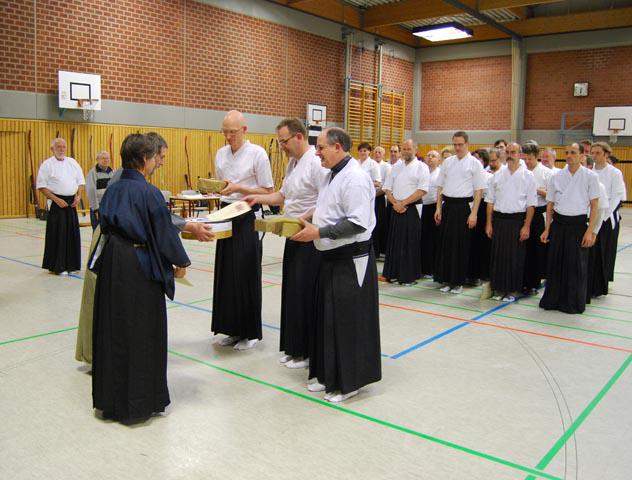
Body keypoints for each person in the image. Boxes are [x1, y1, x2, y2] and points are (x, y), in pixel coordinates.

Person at [75, 132, 213, 365]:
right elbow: (150, 219)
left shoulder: (124, 184)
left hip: (117, 249)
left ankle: (112, 361)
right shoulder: (133, 184)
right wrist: (180, 257)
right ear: (147, 156)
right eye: (160, 157)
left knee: (118, 309)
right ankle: (101, 355)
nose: (161, 162)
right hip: (120, 246)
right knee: (123, 309)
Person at [91, 133, 191, 422]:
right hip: (138, 265)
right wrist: (180, 261)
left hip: (113, 261)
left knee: (114, 327)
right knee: (141, 331)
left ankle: (111, 401)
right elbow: (162, 231)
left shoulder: (113, 189)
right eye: (154, 158)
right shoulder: (148, 192)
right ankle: (139, 402)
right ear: (145, 159)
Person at [292, 127, 381, 403]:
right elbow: (327, 209)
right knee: (327, 320)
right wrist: (305, 218)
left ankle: (349, 383)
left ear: (338, 147)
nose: (317, 152)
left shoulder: (355, 178)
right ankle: (328, 376)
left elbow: (357, 223)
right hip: (330, 257)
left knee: (347, 322)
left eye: (321, 147)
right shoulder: (331, 175)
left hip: (351, 259)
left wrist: (318, 232)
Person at [244, 118, 326, 369]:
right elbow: (283, 195)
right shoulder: (293, 163)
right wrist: (256, 198)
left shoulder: (316, 163)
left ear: (299, 136)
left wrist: (304, 218)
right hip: (292, 234)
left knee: (306, 295)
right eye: (280, 142)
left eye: (284, 141)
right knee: (292, 293)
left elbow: (326, 200)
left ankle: (307, 352)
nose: (282, 147)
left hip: (309, 236)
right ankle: (294, 347)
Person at [212, 110, 274, 350]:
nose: (228, 136)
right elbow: (222, 186)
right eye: (225, 132)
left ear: (244, 130)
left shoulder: (258, 154)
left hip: (247, 214)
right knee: (226, 272)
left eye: (233, 132)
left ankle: (250, 332)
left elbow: (268, 191)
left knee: (246, 271)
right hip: (226, 213)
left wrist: (239, 188)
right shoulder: (220, 154)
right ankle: (231, 328)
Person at [539, 143, 601, 314]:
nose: (569, 155)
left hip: (578, 225)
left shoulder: (590, 176)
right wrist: (547, 229)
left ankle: (573, 302)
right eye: (567, 152)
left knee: (576, 266)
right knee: (555, 263)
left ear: (581, 155)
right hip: (558, 224)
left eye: (573, 152)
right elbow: (550, 205)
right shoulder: (556, 176)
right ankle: (553, 300)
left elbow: (595, 206)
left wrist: (590, 231)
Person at [434, 131, 487, 294]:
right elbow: (440, 186)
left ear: (467, 144)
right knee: (447, 244)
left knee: (460, 246)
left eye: (460, 145)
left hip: (464, 207)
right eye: (455, 144)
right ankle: (447, 279)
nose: (457, 148)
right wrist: (438, 208)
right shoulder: (448, 162)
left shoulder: (475, 164)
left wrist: (474, 213)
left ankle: (458, 282)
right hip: (448, 206)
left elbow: (479, 191)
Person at [486, 143, 537, 302]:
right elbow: (490, 201)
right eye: (507, 152)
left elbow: (531, 204)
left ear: (520, 154)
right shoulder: (497, 175)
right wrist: (489, 223)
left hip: (517, 221)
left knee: (515, 257)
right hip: (499, 220)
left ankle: (512, 290)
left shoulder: (528, 176)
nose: (510, 155)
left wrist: (526, 226)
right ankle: (498, 289)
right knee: (498, 256)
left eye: (513, 152)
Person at [382, 139, 429, 285]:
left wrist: (403, 203)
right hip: (396, 207)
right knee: (395, 242)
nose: (406, 151)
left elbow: (422, 190)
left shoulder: (421, 167)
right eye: (404, 149)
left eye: (409, 149)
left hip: (412, 208)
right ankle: (393, 274)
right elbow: (387, 188)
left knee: (410, 243)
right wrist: (396, 203)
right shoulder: (396, 167)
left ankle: (408, 276)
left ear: (415, 150)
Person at [36, 137, 85, 275]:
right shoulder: (47, 164)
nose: (61, 149)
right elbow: (41, 186)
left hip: (72, 202)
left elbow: (80, 182)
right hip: (57, 203)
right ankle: (58, 266)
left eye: (63, 147)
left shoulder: (73, 162)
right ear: (52, 149)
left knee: (72, 235)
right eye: (58, 147)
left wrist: (78, 196)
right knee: (58, 234)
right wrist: (56, 199)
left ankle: (72, 265)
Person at [588, 142, 626, 297]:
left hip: (607, 218)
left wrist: (604, 215)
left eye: (598, 153)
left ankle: (600, 285)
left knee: (604, 252)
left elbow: (617, 196)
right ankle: (589, 283)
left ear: (606, 154)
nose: (594, 156)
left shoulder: (615, 173)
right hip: (591, 216)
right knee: (591, 252)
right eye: (592, 153)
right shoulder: (589, 171)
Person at [522, 141, 553, 295]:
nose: (527, 162)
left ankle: (533, 283)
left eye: (530, 159)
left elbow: (553, 197)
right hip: (522, 212)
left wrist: (539, 191)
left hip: (539, 213)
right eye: (525, 158)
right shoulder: (520, 171)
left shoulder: (547, 173)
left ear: (536, 156)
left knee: (536, 250)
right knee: (522, 249)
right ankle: (520, 280)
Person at [467, 148, 493, 285]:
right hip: (468, 207)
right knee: (468, 243)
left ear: (484, 161)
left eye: (478, 158)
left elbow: (489, 198)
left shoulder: (489, 176)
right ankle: (468, 273)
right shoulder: (467, 176)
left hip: (482, 209)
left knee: (480, 243)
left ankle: (479, 274)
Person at [420, 150, 441, 278]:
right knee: (421, 238)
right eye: (428, 155)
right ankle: (421, 267)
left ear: (439, 160)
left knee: (431, 239)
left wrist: (439, 210)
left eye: (433, 156)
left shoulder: (440, 173)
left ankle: (431, 268)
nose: (430, 158)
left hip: (433, 207)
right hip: (421, 206)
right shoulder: (423, 172)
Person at [85, 150, 114, 230]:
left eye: (107, 158)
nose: (106, 160)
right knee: (98, 232)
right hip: (99, 208)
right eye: (103, 158)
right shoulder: (92, 173)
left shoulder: (112, 172)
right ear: (97, 160)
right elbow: (91, 192)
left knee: (110, 231)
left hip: (110, 207)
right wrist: (96, 210)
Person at [373, 146, 391, 257]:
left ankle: (378, 250)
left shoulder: (387, 167)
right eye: (376, 152)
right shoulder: (371, 164)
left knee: (378, 223)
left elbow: (385, 185)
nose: (377, 154)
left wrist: (373, 194)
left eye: (379, 152)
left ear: (383, 154)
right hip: (368, 198)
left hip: (379, 197)